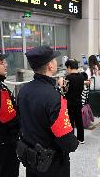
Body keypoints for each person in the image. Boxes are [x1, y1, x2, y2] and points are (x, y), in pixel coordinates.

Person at [18, 46, 78, 177]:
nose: (56, 62)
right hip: (52, 164)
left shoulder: (23, 90)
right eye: (54, 60)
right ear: (50, 66)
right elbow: (66, 139)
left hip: (30, 158)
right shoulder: (54, 97)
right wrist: (74, 143)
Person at [65, 59, 88, 144]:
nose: (67, 70)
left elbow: (65, 91)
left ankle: (71, 140)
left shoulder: (68, 78)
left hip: (69, 103)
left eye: (67, 68)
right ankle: (81, 139)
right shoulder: (81, 77)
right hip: (78, 101)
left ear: (69, 67)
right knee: (79, 121)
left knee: (70, 121)